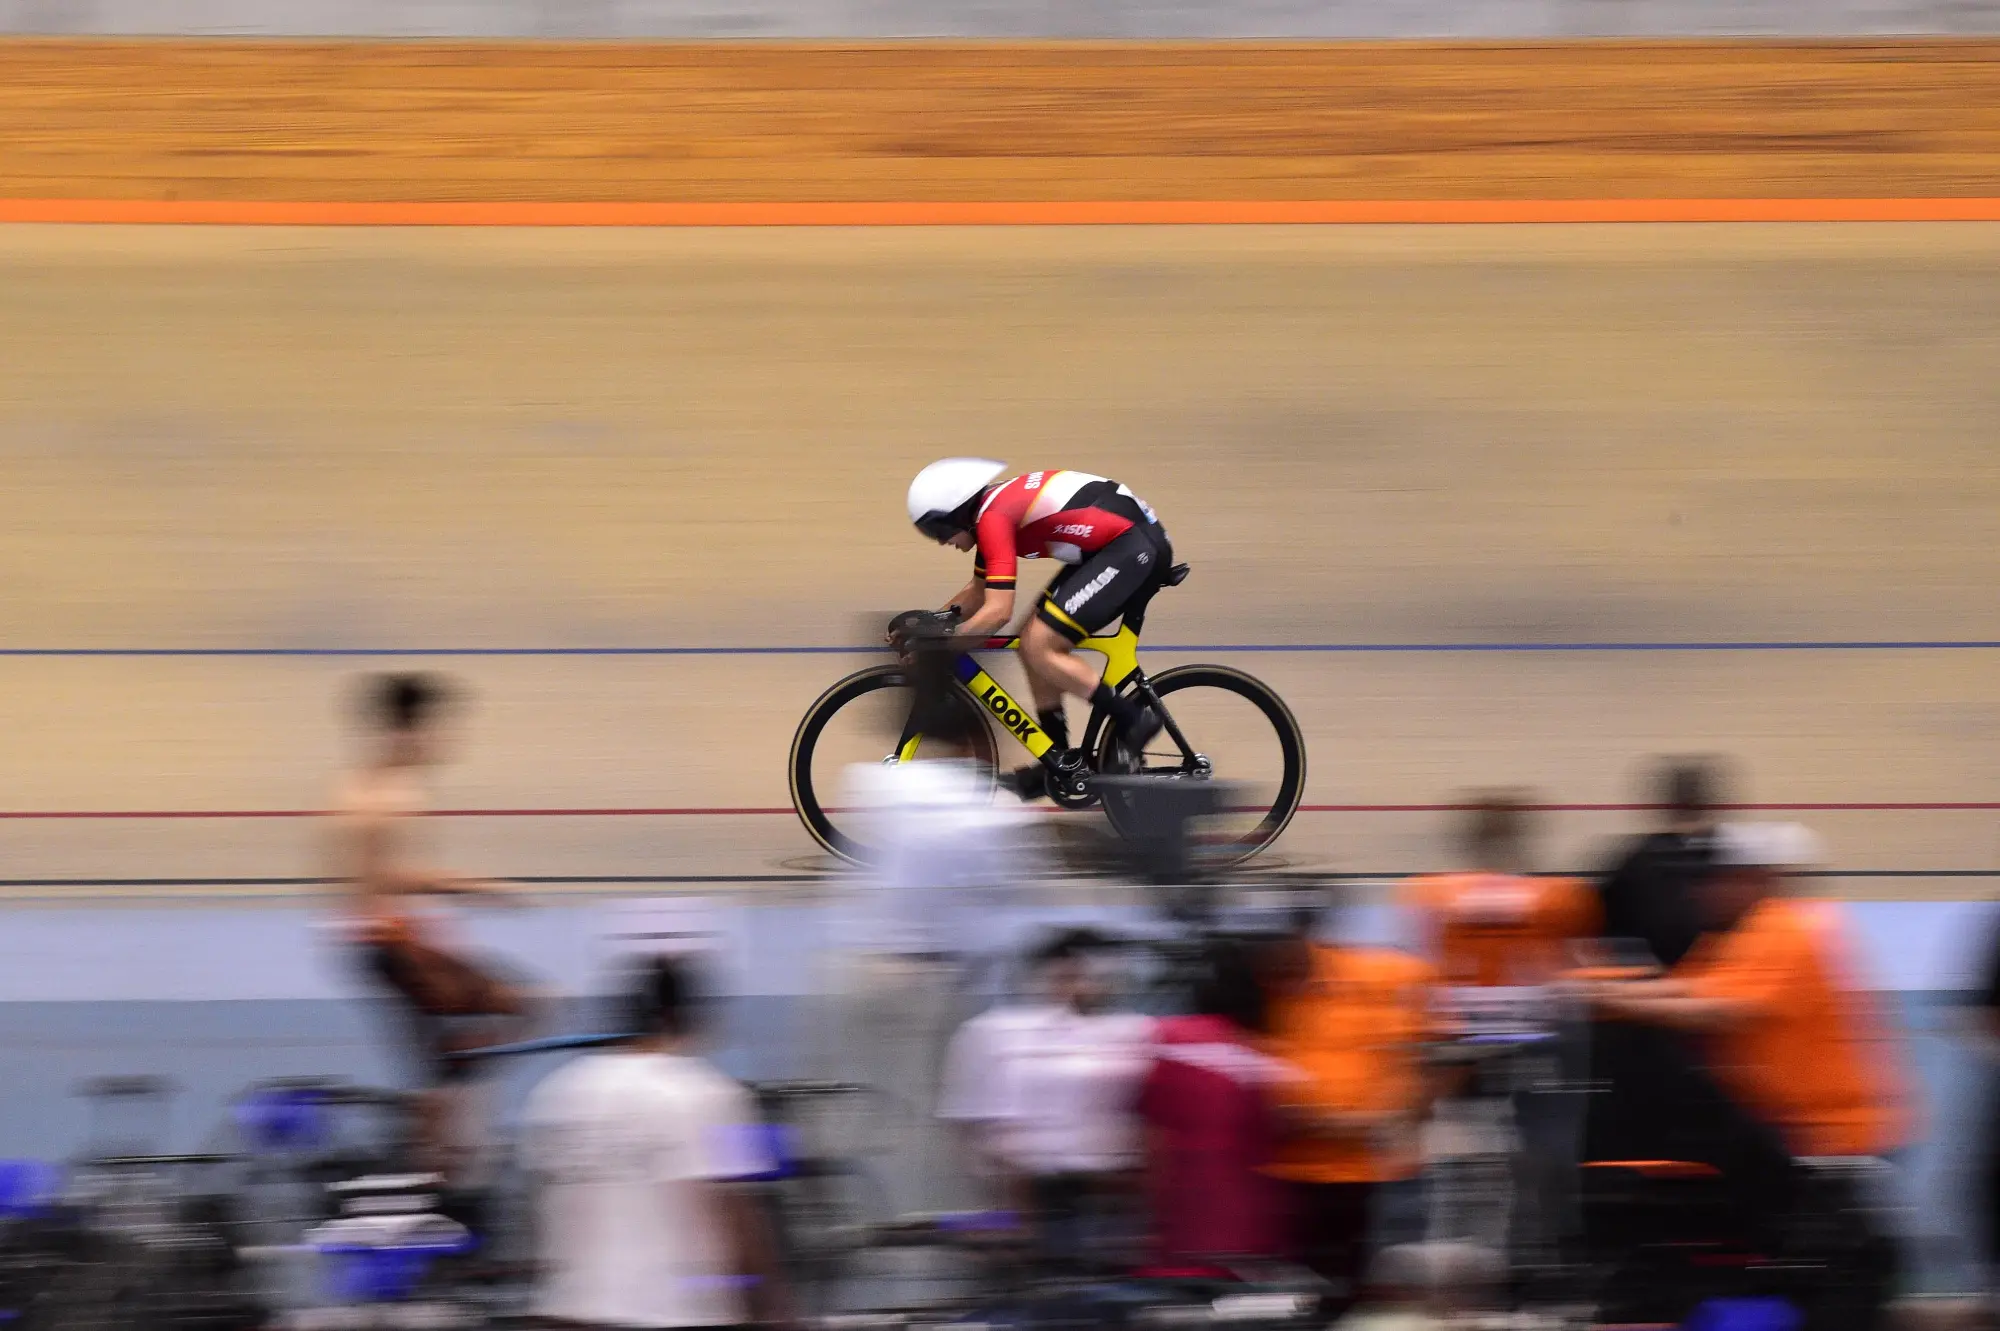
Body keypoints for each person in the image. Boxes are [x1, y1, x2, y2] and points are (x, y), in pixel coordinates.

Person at [330, 672, 532, 1178]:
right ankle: (440, 1158)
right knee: (523, 1004)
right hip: (391, 943)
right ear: (408, 731)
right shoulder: (389, 794)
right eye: (438, 729)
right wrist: (480, 888)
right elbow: (394, 878)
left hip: (384, 942)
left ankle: (438, 1152)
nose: (445, 741)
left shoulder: (363, 787)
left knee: (438, 1067)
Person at [521, 956, 791, 1330]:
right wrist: (775, 1309)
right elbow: (738, 1215)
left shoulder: (556, 1093)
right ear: (681, 1014)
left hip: (567, 1312)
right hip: (669, 1313)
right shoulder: (706, 1092)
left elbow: (542, 1212)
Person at [1398, 793, 1598, 1263]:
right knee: (1546, 1150)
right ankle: (1548, 1246)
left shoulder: (1427, 894)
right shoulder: (1561, 896)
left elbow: (1414, 968)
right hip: (1537, 1041)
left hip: (1458, 1043)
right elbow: (1575, 969)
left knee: (1450, 1155)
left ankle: (1451, 1249)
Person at [904, 458, 1175, 796]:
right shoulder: (990, 512)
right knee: (1029, 641)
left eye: (937, 530)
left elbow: (998, 612)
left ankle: (1134, 719)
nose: (940, 541)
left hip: (1132, 546)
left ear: (957, 512)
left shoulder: (993, 518)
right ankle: (1057, 759)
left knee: (1040, 644)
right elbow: (977, 593)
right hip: (1115, 545)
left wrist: (942, 648)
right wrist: (930, 623)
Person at [936, 928, 1154, 1267]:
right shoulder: (995, 1034)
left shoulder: (1134, 1032)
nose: (1084, 986)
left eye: (1097, 975)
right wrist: (1007, 1211)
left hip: (1109, 1200)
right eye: (1070, 975)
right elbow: (971, 1128)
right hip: (1030, 1195)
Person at [1261, 912, 1438, 1306]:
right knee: (1298, 1297)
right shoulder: (1249, 991)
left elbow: (1426, 1061)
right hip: (1291, 1176)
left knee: (1385, 1294)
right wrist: (1351, 1124)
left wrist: (1383, 1119)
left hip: (1378, 1172)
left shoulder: (1385, 976)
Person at [1133, 938, 1292, 1274]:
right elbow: (1281, 1130)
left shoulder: (1169, 1039)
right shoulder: (1263, 1055)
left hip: (1178, 1211)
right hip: (1248, 1218)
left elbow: (1149, 1136)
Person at [1594, 757, 1730, 968]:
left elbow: (1607, 924)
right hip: (1709, 973)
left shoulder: (1638, 859)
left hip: (1661, 974)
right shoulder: (1729, 858)